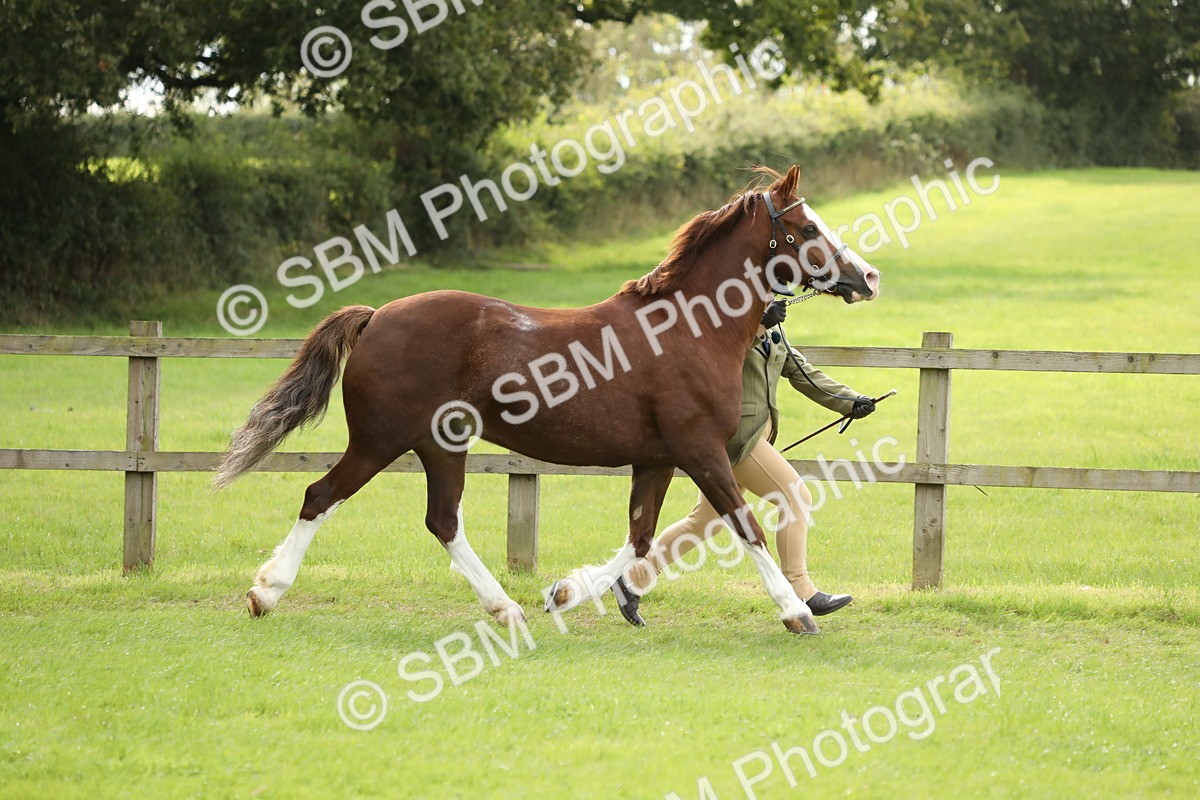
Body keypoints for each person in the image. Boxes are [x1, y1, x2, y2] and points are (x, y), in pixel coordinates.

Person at [613, 299, 876, 629]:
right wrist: (759, 324)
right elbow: (720, 356)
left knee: (705, 521)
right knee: (795, 498)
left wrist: (849, 401)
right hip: (737, 438)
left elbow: (802, 372)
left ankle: (632, 579)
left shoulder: (775, 334)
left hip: (756, 436)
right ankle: (801, 590)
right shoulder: (727, 323)